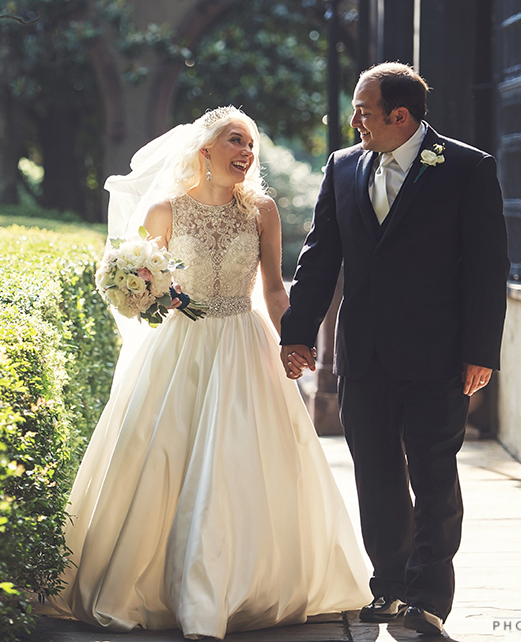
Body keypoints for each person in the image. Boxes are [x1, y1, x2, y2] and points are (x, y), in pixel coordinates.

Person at [47, 106, 370, 639]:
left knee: (240, 462)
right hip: (181, 348)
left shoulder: (261, 211)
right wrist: (151, 297)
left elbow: (272, 287)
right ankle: (164, 590)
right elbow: (146, 290)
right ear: (205, 151)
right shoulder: (164, 210)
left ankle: (228, 587)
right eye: (235, 142)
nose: (246, 152)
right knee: (168, 458)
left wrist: (292, 341)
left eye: (251, 145)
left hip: (245, 343)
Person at [279, 63, 509, 639]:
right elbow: (319, 257)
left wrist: (481, 350)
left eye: (363, 109)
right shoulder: (342, 166)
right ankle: (390, 586)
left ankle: (429, 596)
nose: (354, 119)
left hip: (440, 356)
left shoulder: (465, 168)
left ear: (398, 115)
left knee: (433, 474)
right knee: (376, 473)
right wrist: (298, 333)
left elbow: (487, 267)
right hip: (367, 356)